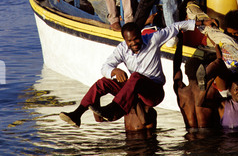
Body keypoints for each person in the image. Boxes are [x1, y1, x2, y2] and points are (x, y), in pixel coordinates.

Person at [59, 18, 199, 128]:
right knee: (103, 82)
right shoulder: (122, 48)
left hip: (153, 92)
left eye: (136, 38)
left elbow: (175, 26)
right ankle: (78, 114)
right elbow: (105, 66)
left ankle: (113, 109)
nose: (134, 43)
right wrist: (114, 70)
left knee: (135, 77)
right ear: (125, 41)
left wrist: (202, 23)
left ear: (140, 35)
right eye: (129, 41)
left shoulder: (152, 39)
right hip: (134, 90)